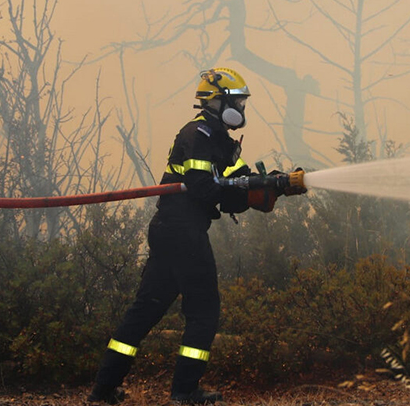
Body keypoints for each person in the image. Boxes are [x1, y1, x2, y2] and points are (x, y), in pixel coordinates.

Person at [87, 68, 305, 404]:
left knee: (145, 311)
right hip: (183, 232)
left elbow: (237, 187)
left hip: (172, 231)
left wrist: (278, 184)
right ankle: (184, 391)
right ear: (217, 101)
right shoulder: (198, 135)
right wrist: (255, 186)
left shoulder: (221, 142)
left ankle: (103, 390)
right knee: (204, 311)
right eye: (238, 102)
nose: (242, 110)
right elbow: (204, 187)